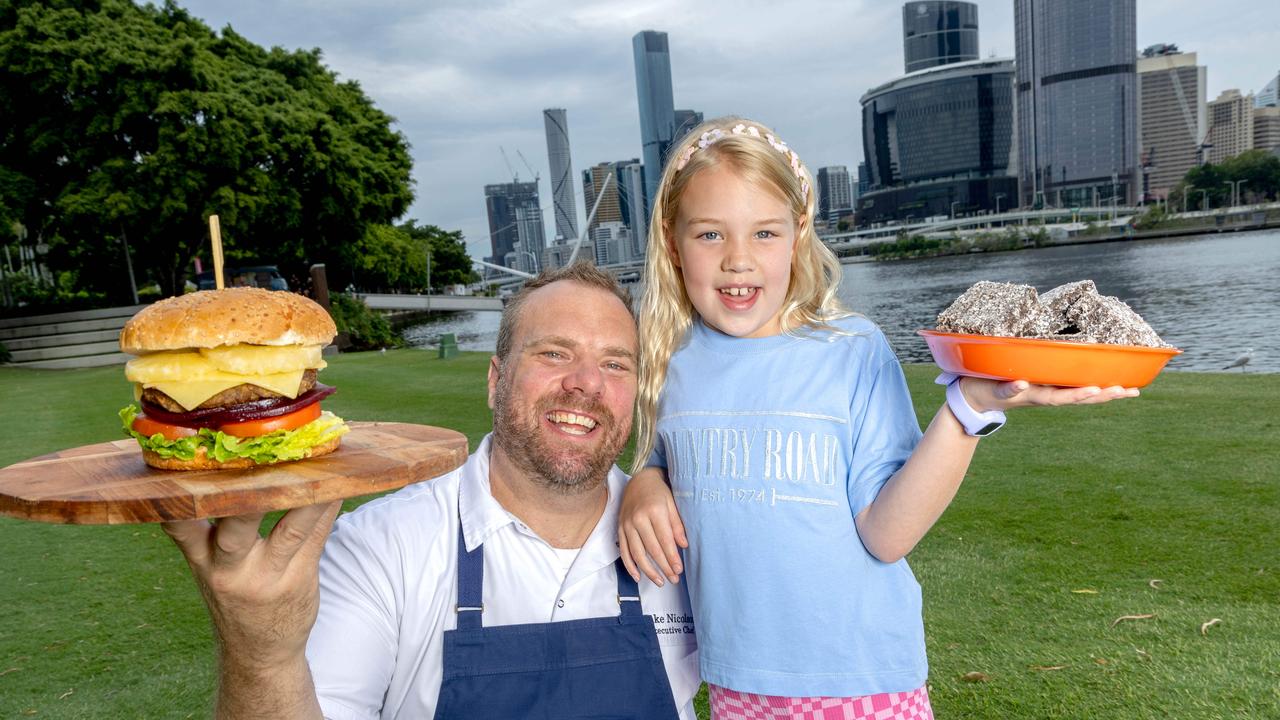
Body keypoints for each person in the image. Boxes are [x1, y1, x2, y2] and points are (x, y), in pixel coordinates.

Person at [617, 117, 1139, 719]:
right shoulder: (673, 365)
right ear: (673, 241)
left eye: (764, 232)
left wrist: (968, 408)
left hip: (863, 685)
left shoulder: (852, 349)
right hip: (736, 687)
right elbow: (666, 462)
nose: (738, 260)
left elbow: (886, 536)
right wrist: (643, 484)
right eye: (710, 234)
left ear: (798, 235)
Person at [164, 262, 700, 720]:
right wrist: (264, 657)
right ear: (496, 381)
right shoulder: (378, 549)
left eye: (615, 363)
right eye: (554, 354)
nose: (586, 382)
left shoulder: (690, 542)